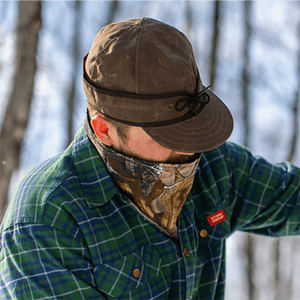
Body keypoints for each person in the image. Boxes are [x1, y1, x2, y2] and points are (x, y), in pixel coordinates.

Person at [0, 17, 299, 300]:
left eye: (192, 129)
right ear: (104, 129)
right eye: (168, 136)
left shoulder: (213, 166)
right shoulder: (47, 221)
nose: (189, 151)